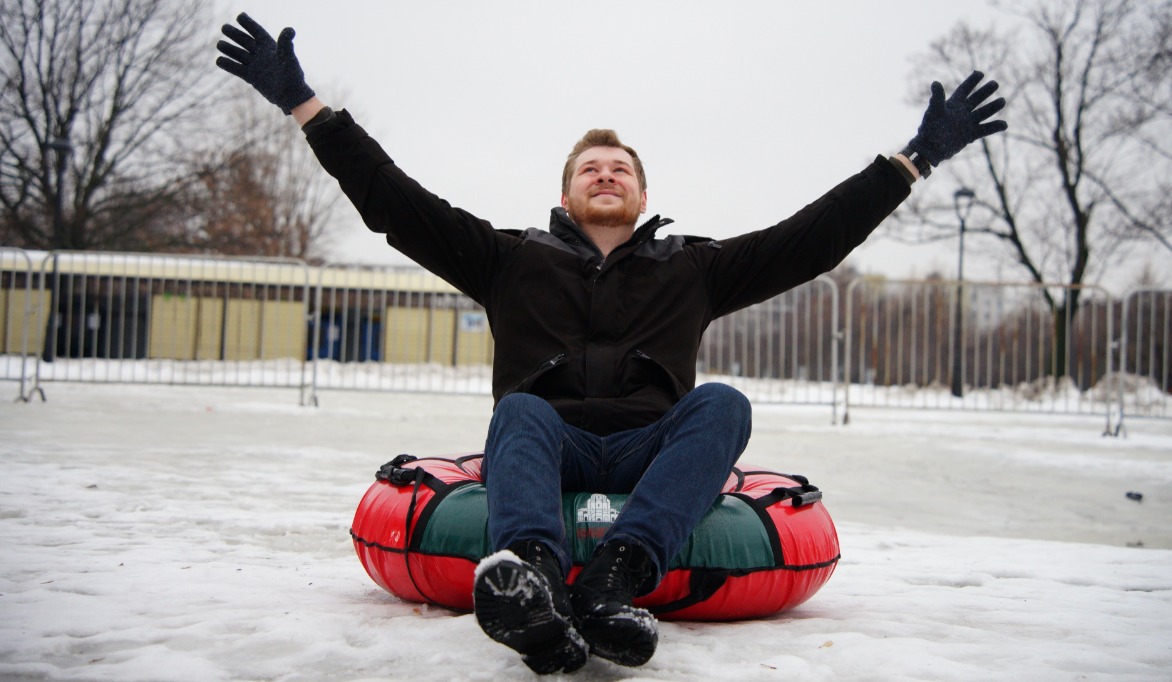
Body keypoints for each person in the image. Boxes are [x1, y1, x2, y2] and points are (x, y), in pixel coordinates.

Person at [216, 12, 1007, 674]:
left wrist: (914, 160)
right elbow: (394, 201)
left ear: (641, 193)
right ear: (565, 193)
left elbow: (812, 239)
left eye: (619, 167)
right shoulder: (507, 258)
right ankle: (529, 581)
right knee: (520, 410)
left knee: (722, 404)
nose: (605, 174)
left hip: (643, 444)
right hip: (549, 441)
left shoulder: (694, 267)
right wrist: (308, 108)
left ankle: (615, 576)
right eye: (590, 167)